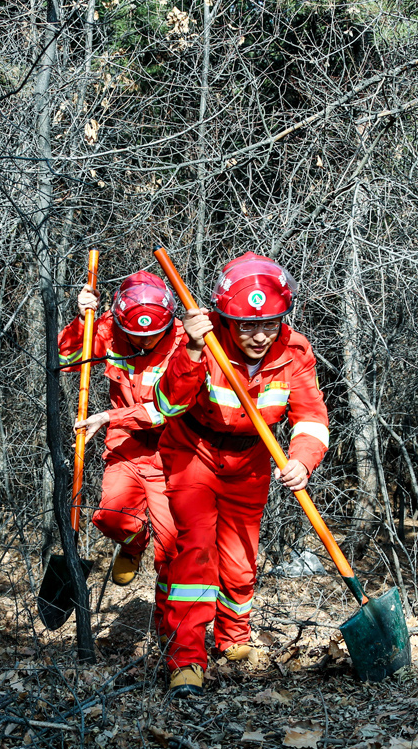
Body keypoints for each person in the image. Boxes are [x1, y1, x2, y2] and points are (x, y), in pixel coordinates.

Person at [154, 252, 329, 696]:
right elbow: (168, 404)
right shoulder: (201, 339)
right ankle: (186, 658)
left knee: (239, 561)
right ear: (226, 318)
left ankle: (233, 637)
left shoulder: (294, 352)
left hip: (251, 460)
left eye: (269, 323)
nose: (258, 335)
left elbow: (310, 418)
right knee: (196, 551)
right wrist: (193, 349)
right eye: (247, 324)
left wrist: (302, 460)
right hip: (193, 452)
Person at [58, 271, 186, 631]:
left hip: (172, 456)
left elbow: (172, 405)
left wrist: (109, 416)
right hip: (126, 447)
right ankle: (133, 543)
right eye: (135, 335)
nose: (144, 342)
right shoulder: (107, 328)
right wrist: (80, 318)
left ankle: (168, 626)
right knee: (108, 517)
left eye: (152, 335)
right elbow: (65, 357)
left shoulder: (184, 342)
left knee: (172, 550)